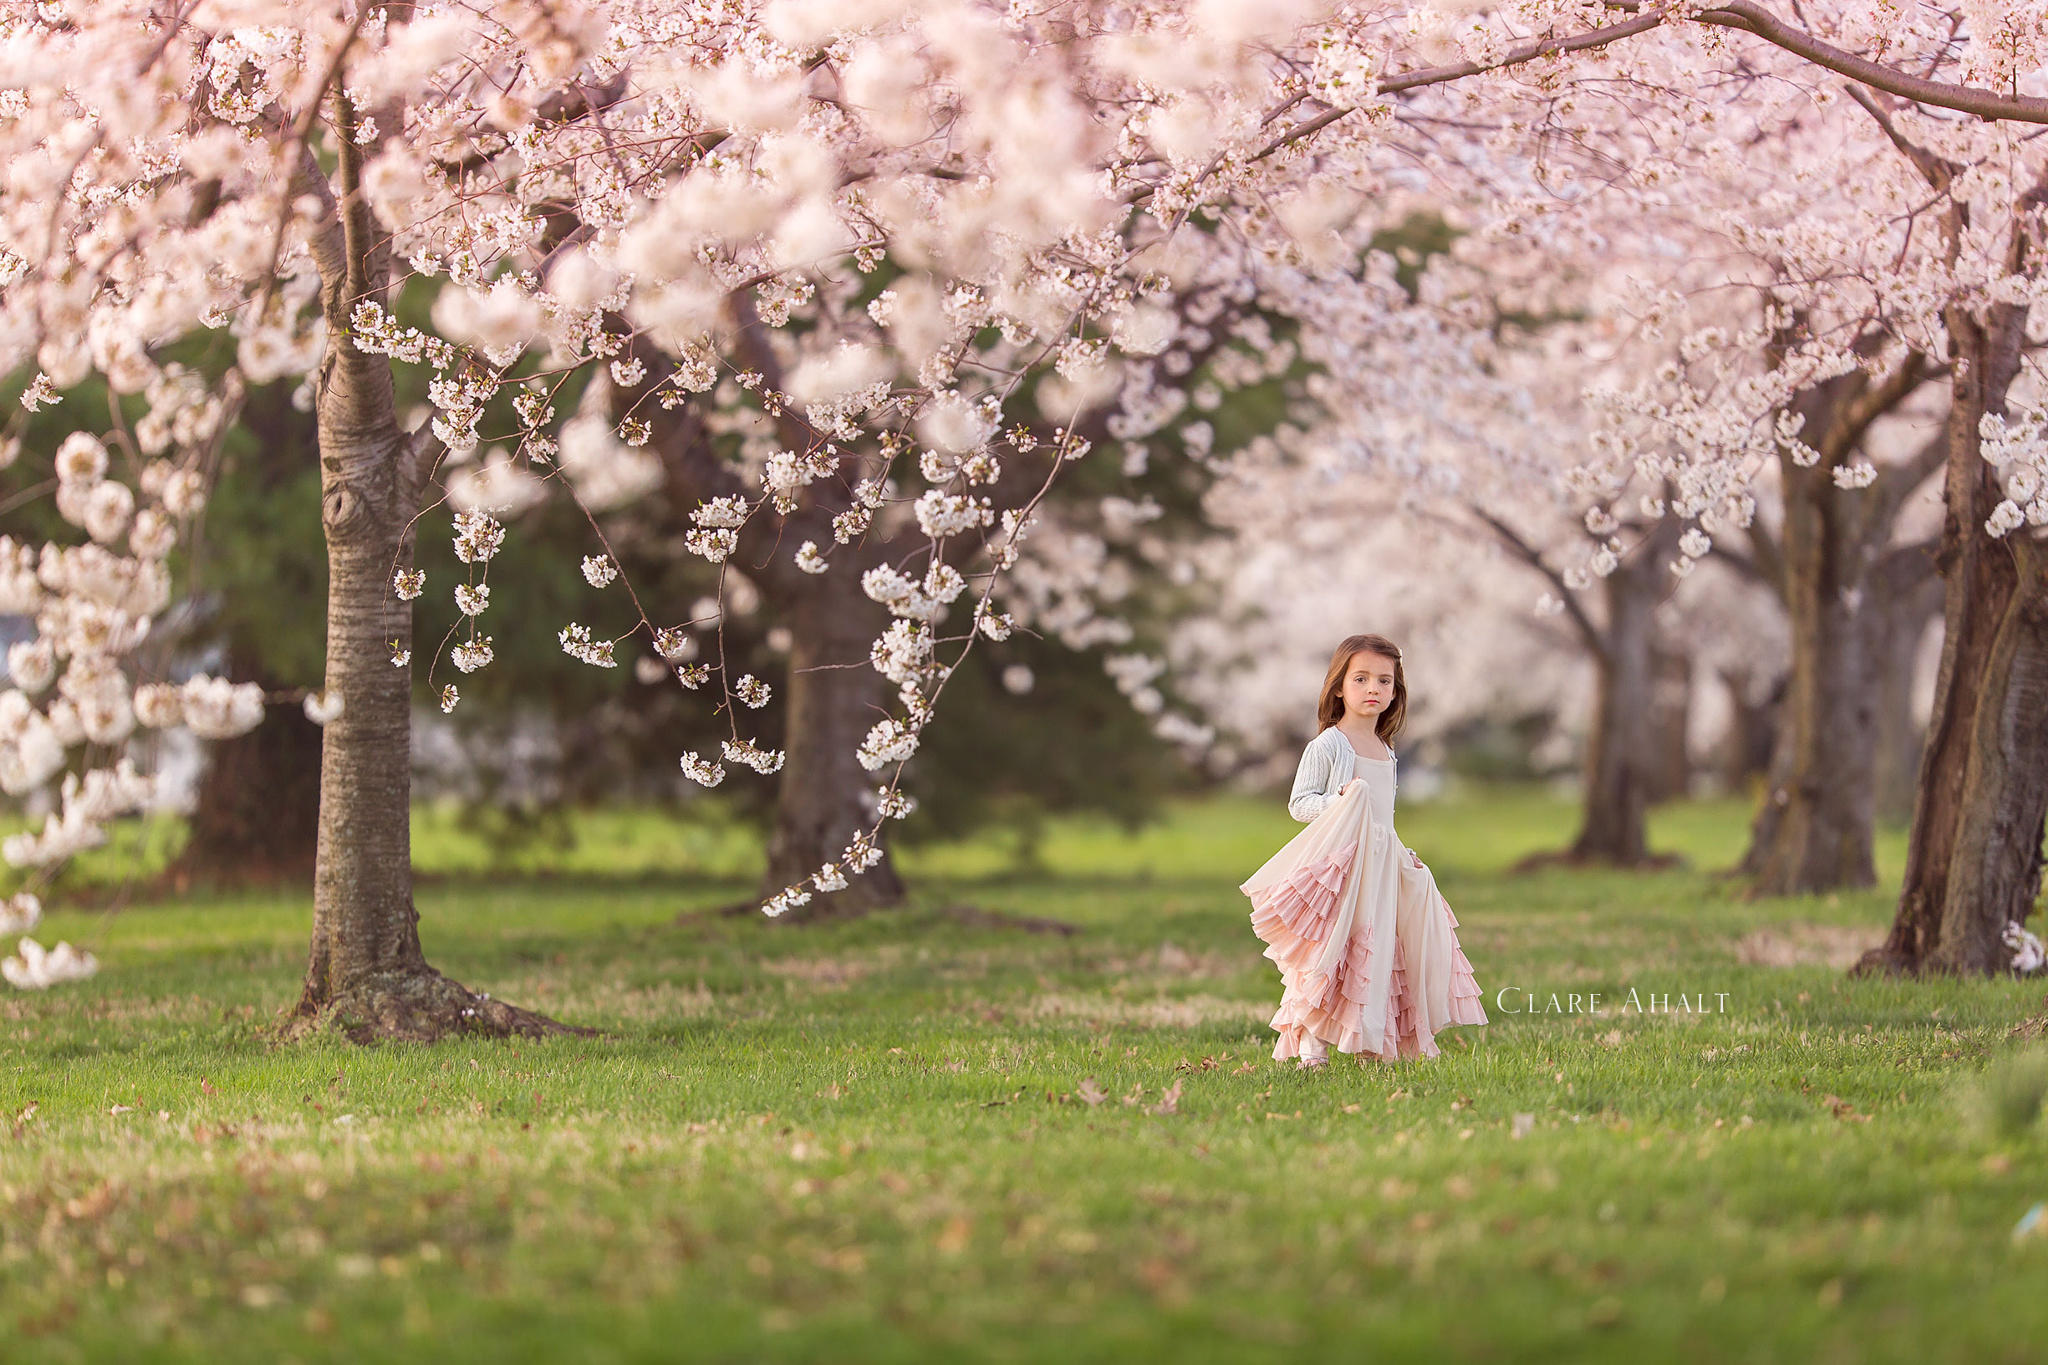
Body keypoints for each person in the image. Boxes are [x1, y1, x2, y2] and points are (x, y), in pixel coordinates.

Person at [1241, 633, 1487, 1067]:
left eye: (1384, 681)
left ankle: (1371, 1039)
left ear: (1396, 691)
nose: (1373, 689)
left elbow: (1382, 819)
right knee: (1329, 950)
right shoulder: (1329, 745)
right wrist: (1340, 801)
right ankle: (1311, 1046)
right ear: (1339, 686)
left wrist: (1403, 853)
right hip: (1341, 867)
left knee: (1376, 950)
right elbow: (1300, 803)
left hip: (1380, 867)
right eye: (1361, 679)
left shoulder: (1386, 750)